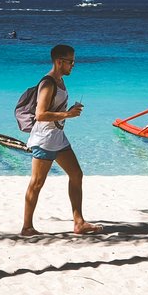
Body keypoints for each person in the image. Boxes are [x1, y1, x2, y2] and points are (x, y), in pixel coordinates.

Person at [21, 44, 101, 236]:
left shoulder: (60, 81)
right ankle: (27, 227)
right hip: (45, 139)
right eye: (71, 61)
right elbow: (40, 115)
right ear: (59, 61)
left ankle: (79, 222)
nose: (73, 65)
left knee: (76, 174)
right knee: (37, 183)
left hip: (58, 138)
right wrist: (68, 114)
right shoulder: (48, 83)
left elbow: (54, 108)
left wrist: (68, 112)